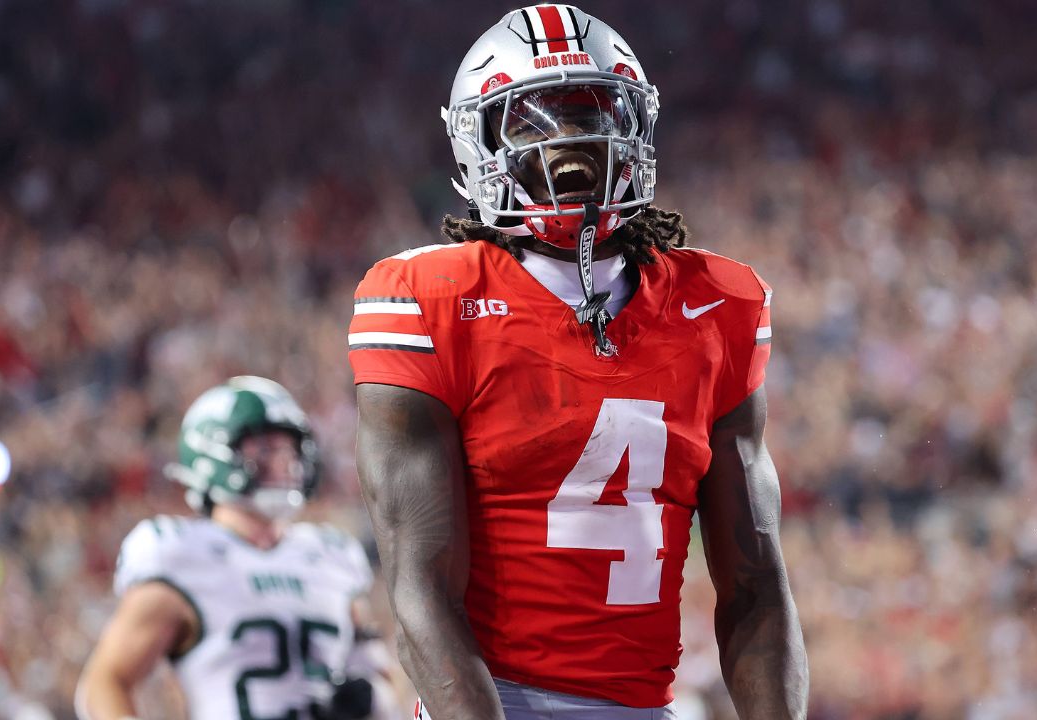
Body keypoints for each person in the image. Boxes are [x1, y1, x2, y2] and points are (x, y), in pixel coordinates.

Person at [348, 5, 808, 719]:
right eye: (533, 121)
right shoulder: (429, 299)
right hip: (492, 701)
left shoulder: (719, 303)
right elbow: (420, 594)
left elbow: (755, 587)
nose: (570, 141)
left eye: (592, 111)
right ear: (479, 142)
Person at [77, 376, 398, 720]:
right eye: (265, 449)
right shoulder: (181, 552)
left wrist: (369, 696)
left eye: (288, 448)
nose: (283, 462)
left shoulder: (330, 554)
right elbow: (104, 683)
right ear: (211, 454)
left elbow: (382, 680)